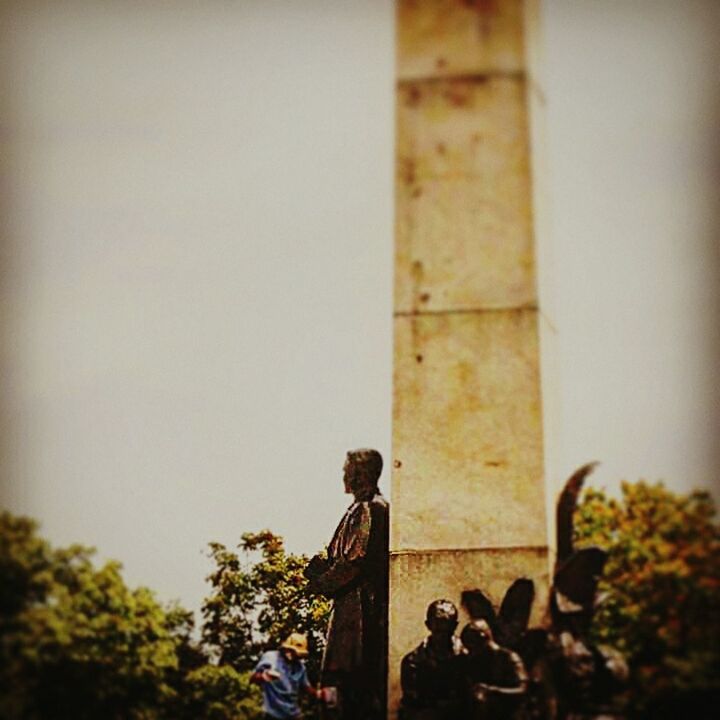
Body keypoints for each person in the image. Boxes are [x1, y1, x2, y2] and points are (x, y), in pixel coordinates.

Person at [305, 448, 389, 720]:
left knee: (349, 680)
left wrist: (320, 582)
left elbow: (354, 563)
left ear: (359, 472)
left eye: (347, 469)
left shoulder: (370, 507)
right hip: (351, 606)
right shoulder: (359, 507)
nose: (344, 474)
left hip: (360, 610)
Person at [399, 599, 466, 719]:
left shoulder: (466, 657)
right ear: (428, 625)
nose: (442, 637)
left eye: (447, 631)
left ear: (455, 626)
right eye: (439, 631)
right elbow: (411, 702)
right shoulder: (413, 662)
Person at [460, 619, 528, 720]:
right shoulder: (476, 662)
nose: (471, 652)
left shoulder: (509, 658)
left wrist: (493, 691)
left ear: (483, 638)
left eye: (472, 645)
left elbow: (523, 690)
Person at [251, 633, 321, 720]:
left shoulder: (300, 668)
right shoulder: (271, 657)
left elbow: (306, 687)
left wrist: (320, 694)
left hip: (293, 715)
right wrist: (264, 676)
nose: (297, 657)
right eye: (295, 653)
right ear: (287, 649)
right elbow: (252, 678)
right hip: (273, 714)